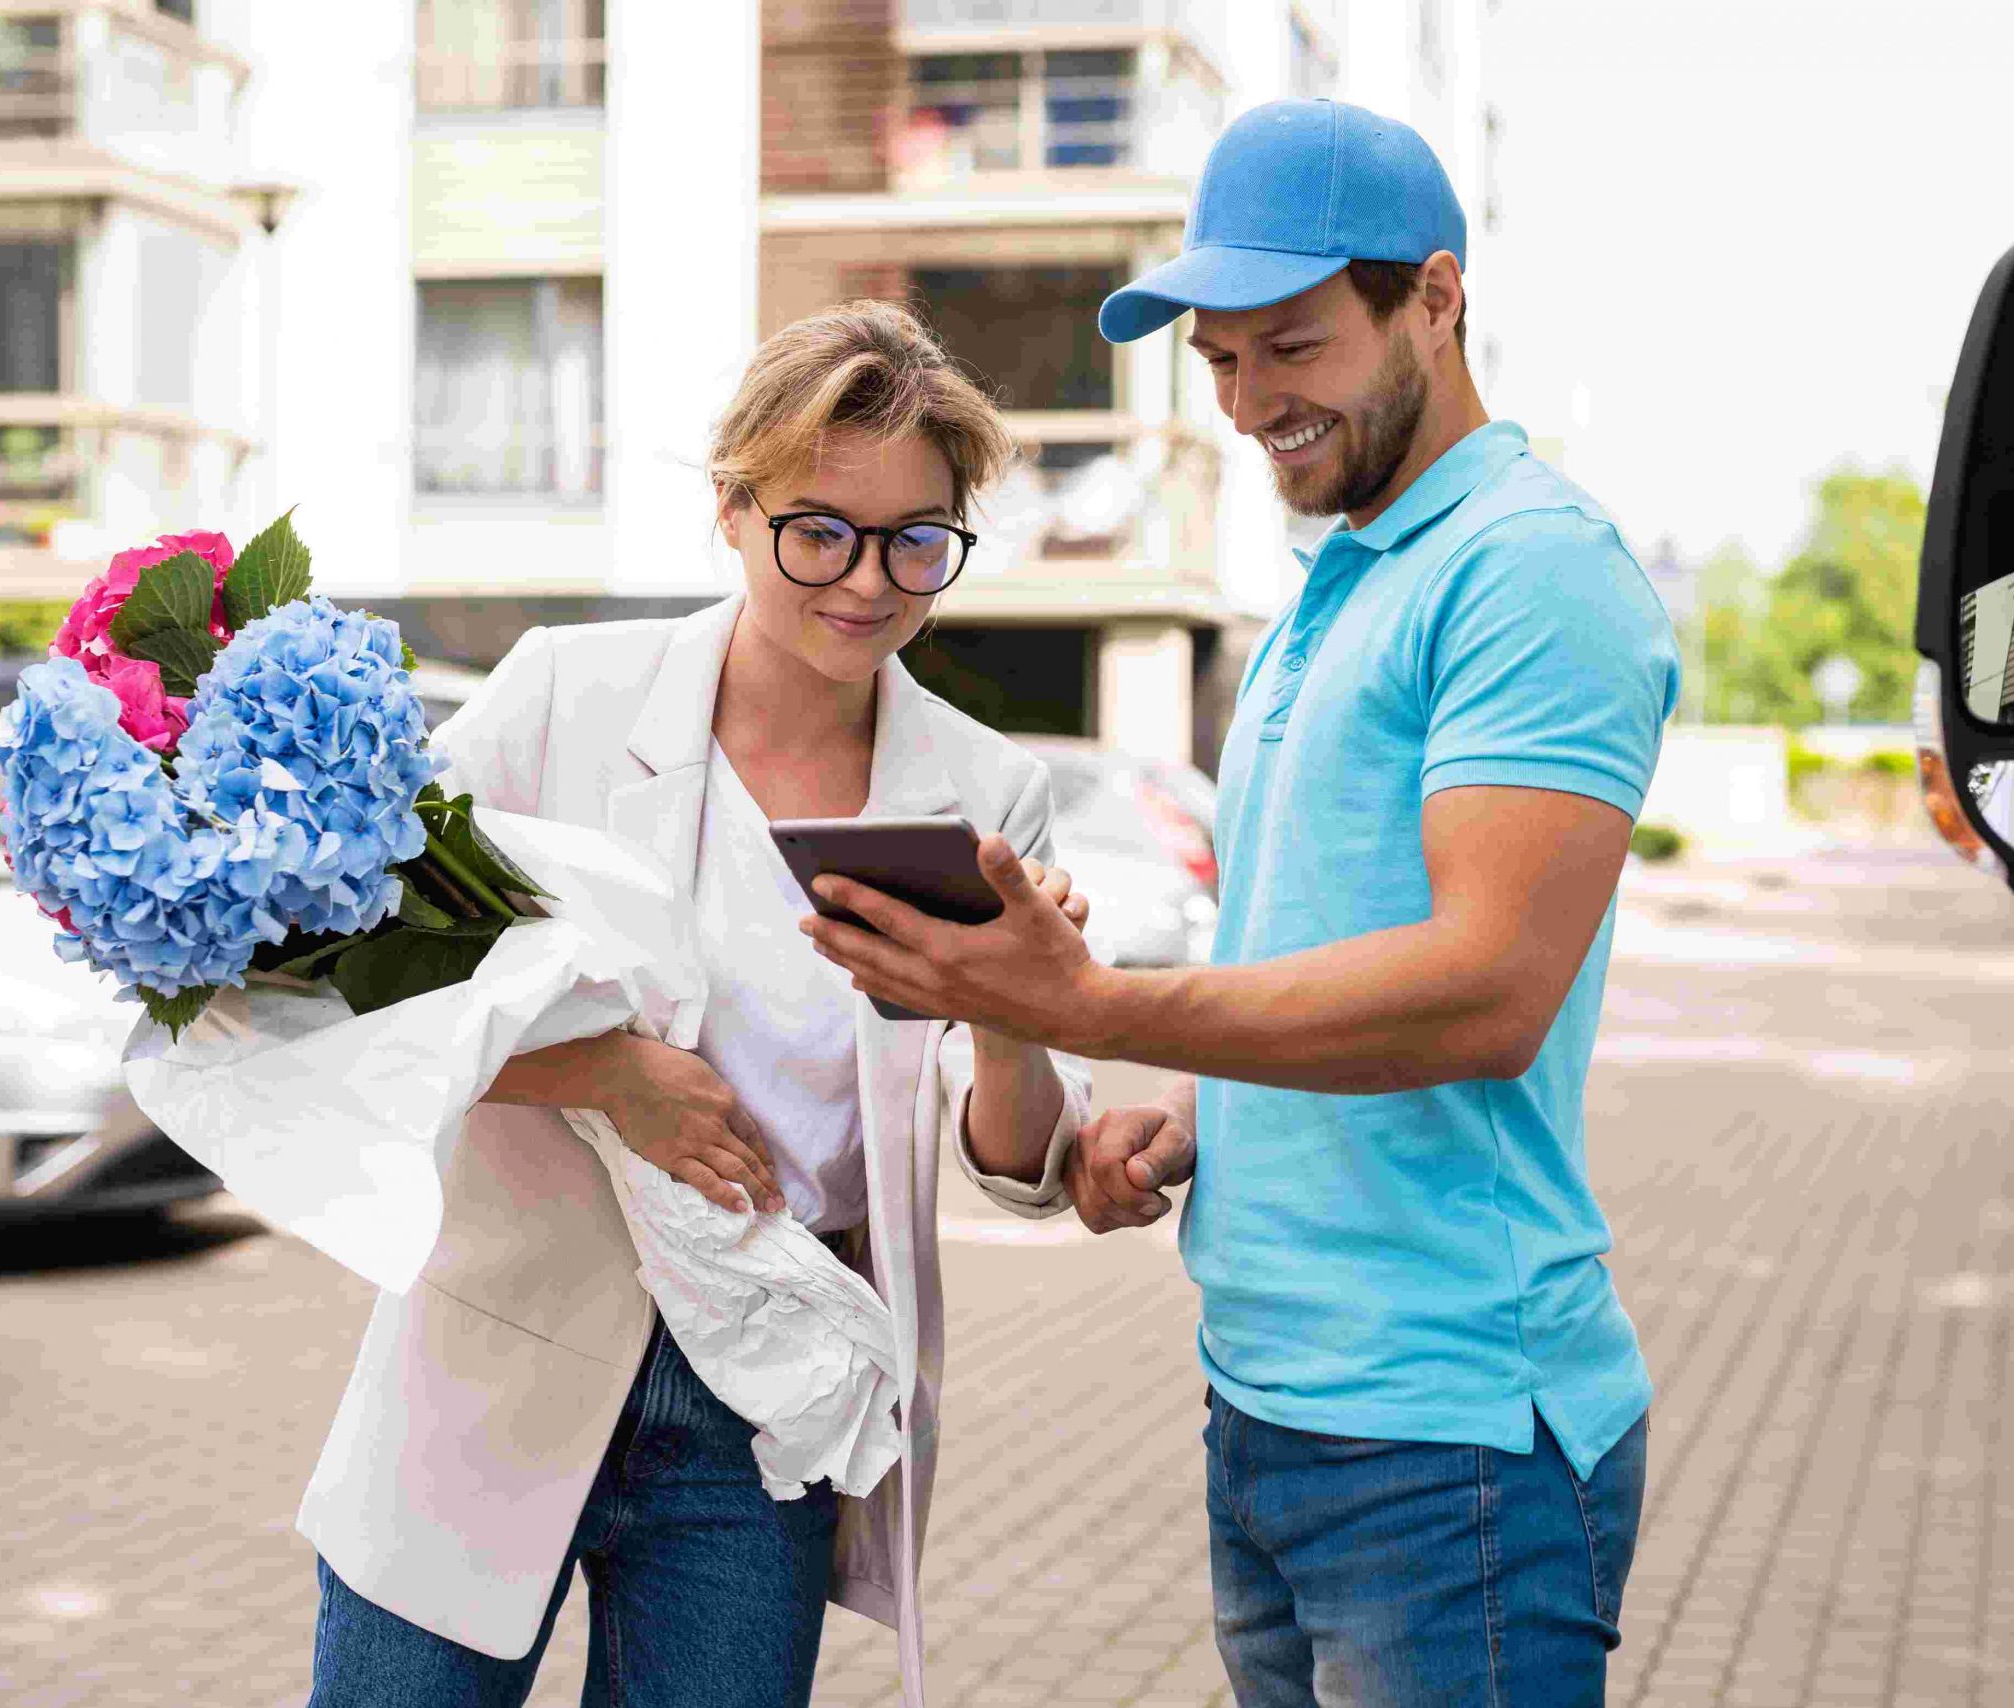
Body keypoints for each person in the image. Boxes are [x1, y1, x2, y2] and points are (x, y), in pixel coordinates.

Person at [801, 100, 1678, 1706]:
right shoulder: (1342, 583)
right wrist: (1202, 1115)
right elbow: (1332, 953)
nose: (1252, 401)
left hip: (1451, 1441)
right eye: (1219, 361)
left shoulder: (1531, 572)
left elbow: (1485, 994)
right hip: (1268, 1406)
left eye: (1293, 346)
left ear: (1434, 296)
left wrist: (1091, 1007)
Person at [300, 301, 1092, 1708]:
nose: (868, 582)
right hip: (499, 1349)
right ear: (731, 508)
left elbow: (1025, 1166)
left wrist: (1017, 1011)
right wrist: (603, 1074)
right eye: (820, 531)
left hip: (762, 1414)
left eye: (918, 538)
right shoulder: (563, 697)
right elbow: (368, 977)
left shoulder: (985, 792)